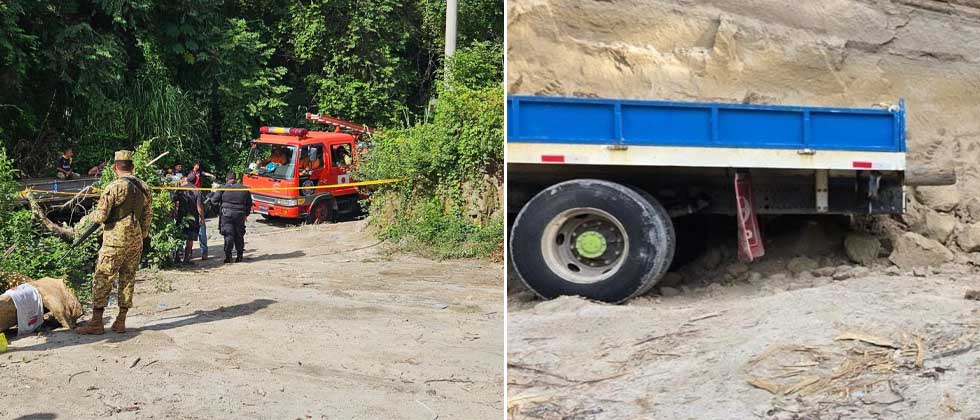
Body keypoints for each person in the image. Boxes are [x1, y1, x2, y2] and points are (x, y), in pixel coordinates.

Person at [75, 150, 152, 335]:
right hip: (135, 241)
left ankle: (96, 323)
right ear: (132, 167)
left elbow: (101, 215)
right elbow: (148, 217)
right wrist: (141, 235)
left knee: (103, 278)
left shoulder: (114, 187)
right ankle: (120, 321)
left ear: (114, 167)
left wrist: (88, 219)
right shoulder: (145, 187)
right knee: (128, 278)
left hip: (114, 241)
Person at [210, 171, 252, 263]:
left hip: (226, 214)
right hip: (240, 214)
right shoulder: (244, 189)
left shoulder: (223, 188)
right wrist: (246, 214)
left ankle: (228, 257)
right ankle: (239, 256)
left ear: (226, 179)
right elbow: (249, 203)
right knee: (239, 235)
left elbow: (213, 201)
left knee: (228, 235)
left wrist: (218, 211)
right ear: (236, 179)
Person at [176, 174, 205, 265]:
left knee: (179, 237)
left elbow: (175, 202)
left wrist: (173, 213)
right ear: (195, 180)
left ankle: (176, 257)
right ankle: (186, 259)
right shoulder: (197, 191)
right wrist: (202, 218)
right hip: (192, 218)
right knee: (190, 239)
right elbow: (199, 208)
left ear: (187, 179)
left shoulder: (180, 189)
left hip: (181, 216)